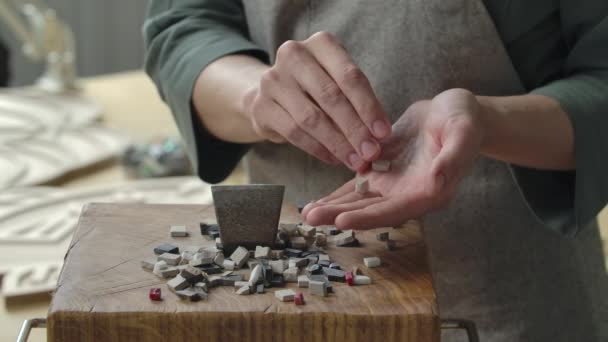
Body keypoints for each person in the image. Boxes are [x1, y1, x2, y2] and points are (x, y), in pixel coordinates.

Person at [143, 1, 608, 341]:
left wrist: (486, 122)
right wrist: (257, 98)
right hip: (282, 292)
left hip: (516, 294)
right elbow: (183, 27)